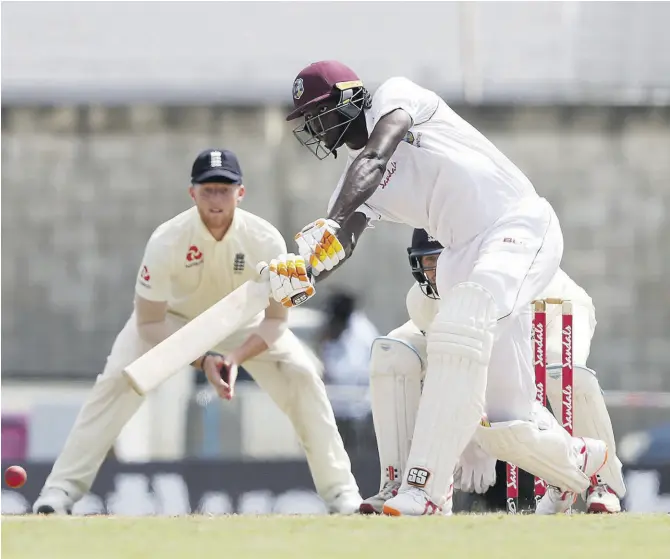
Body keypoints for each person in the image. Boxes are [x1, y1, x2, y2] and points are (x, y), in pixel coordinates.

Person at [265, 60, 609, 516]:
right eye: (306, 118)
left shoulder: (395, 97)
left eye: (318, 112)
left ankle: (423, 489)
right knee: (503, 421)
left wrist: (328, 224)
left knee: (456, 329)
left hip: (518, 224)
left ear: (349, 100)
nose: (312, 125)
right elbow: (340, 244)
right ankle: (579, 463)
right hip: (461, 256)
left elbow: (374, 158)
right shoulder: (352, 185)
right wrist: (302, 275)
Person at [33, 148, 362, 515]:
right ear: (192, 193)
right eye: (208, 190)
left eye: (225, 189)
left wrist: (234, 359)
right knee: (115, 382)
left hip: (244, 325)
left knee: (302, 373)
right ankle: (59, 492)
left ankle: (341, 494)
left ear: (241, 192)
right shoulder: (167, 240)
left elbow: (274, 321)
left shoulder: (265, 239)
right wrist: (203, 359)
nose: (216, 199)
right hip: (173, 323)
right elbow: (148, 323)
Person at [360, 229, 625, 515]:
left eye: (441, 262)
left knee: (561, 372)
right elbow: (450, 373)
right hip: (468, 318)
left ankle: (601, 483)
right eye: (428, 264)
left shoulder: (496, 278)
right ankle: (402, 485)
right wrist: (465, 443)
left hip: (549, 309)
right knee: (394, 352)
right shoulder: (422, 301)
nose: (435, 274)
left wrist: (481, 443)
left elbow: (499, 374)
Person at [318, 291, 379, 453]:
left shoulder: (361, 333)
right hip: (340, 407)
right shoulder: (339, 332)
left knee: (357, 457)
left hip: (360, 410)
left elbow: (350, 371)